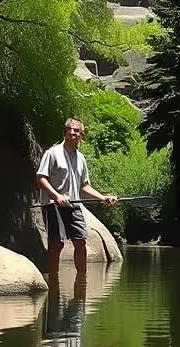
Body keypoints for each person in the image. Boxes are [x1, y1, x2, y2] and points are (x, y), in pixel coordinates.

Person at [36, 117, 118, 276]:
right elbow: (41, 178)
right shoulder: (52, 153)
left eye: (76, 130)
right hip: (53, 204)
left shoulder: (81, 158)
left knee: (80, 242)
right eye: (69, 129)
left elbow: (84, 186)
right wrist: (57, 195)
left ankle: (82, 282)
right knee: (56, 244)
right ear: (65, 132)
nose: (72, 132)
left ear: (82, 135)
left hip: (74, 206)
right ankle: (54, 281)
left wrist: (102, 197)